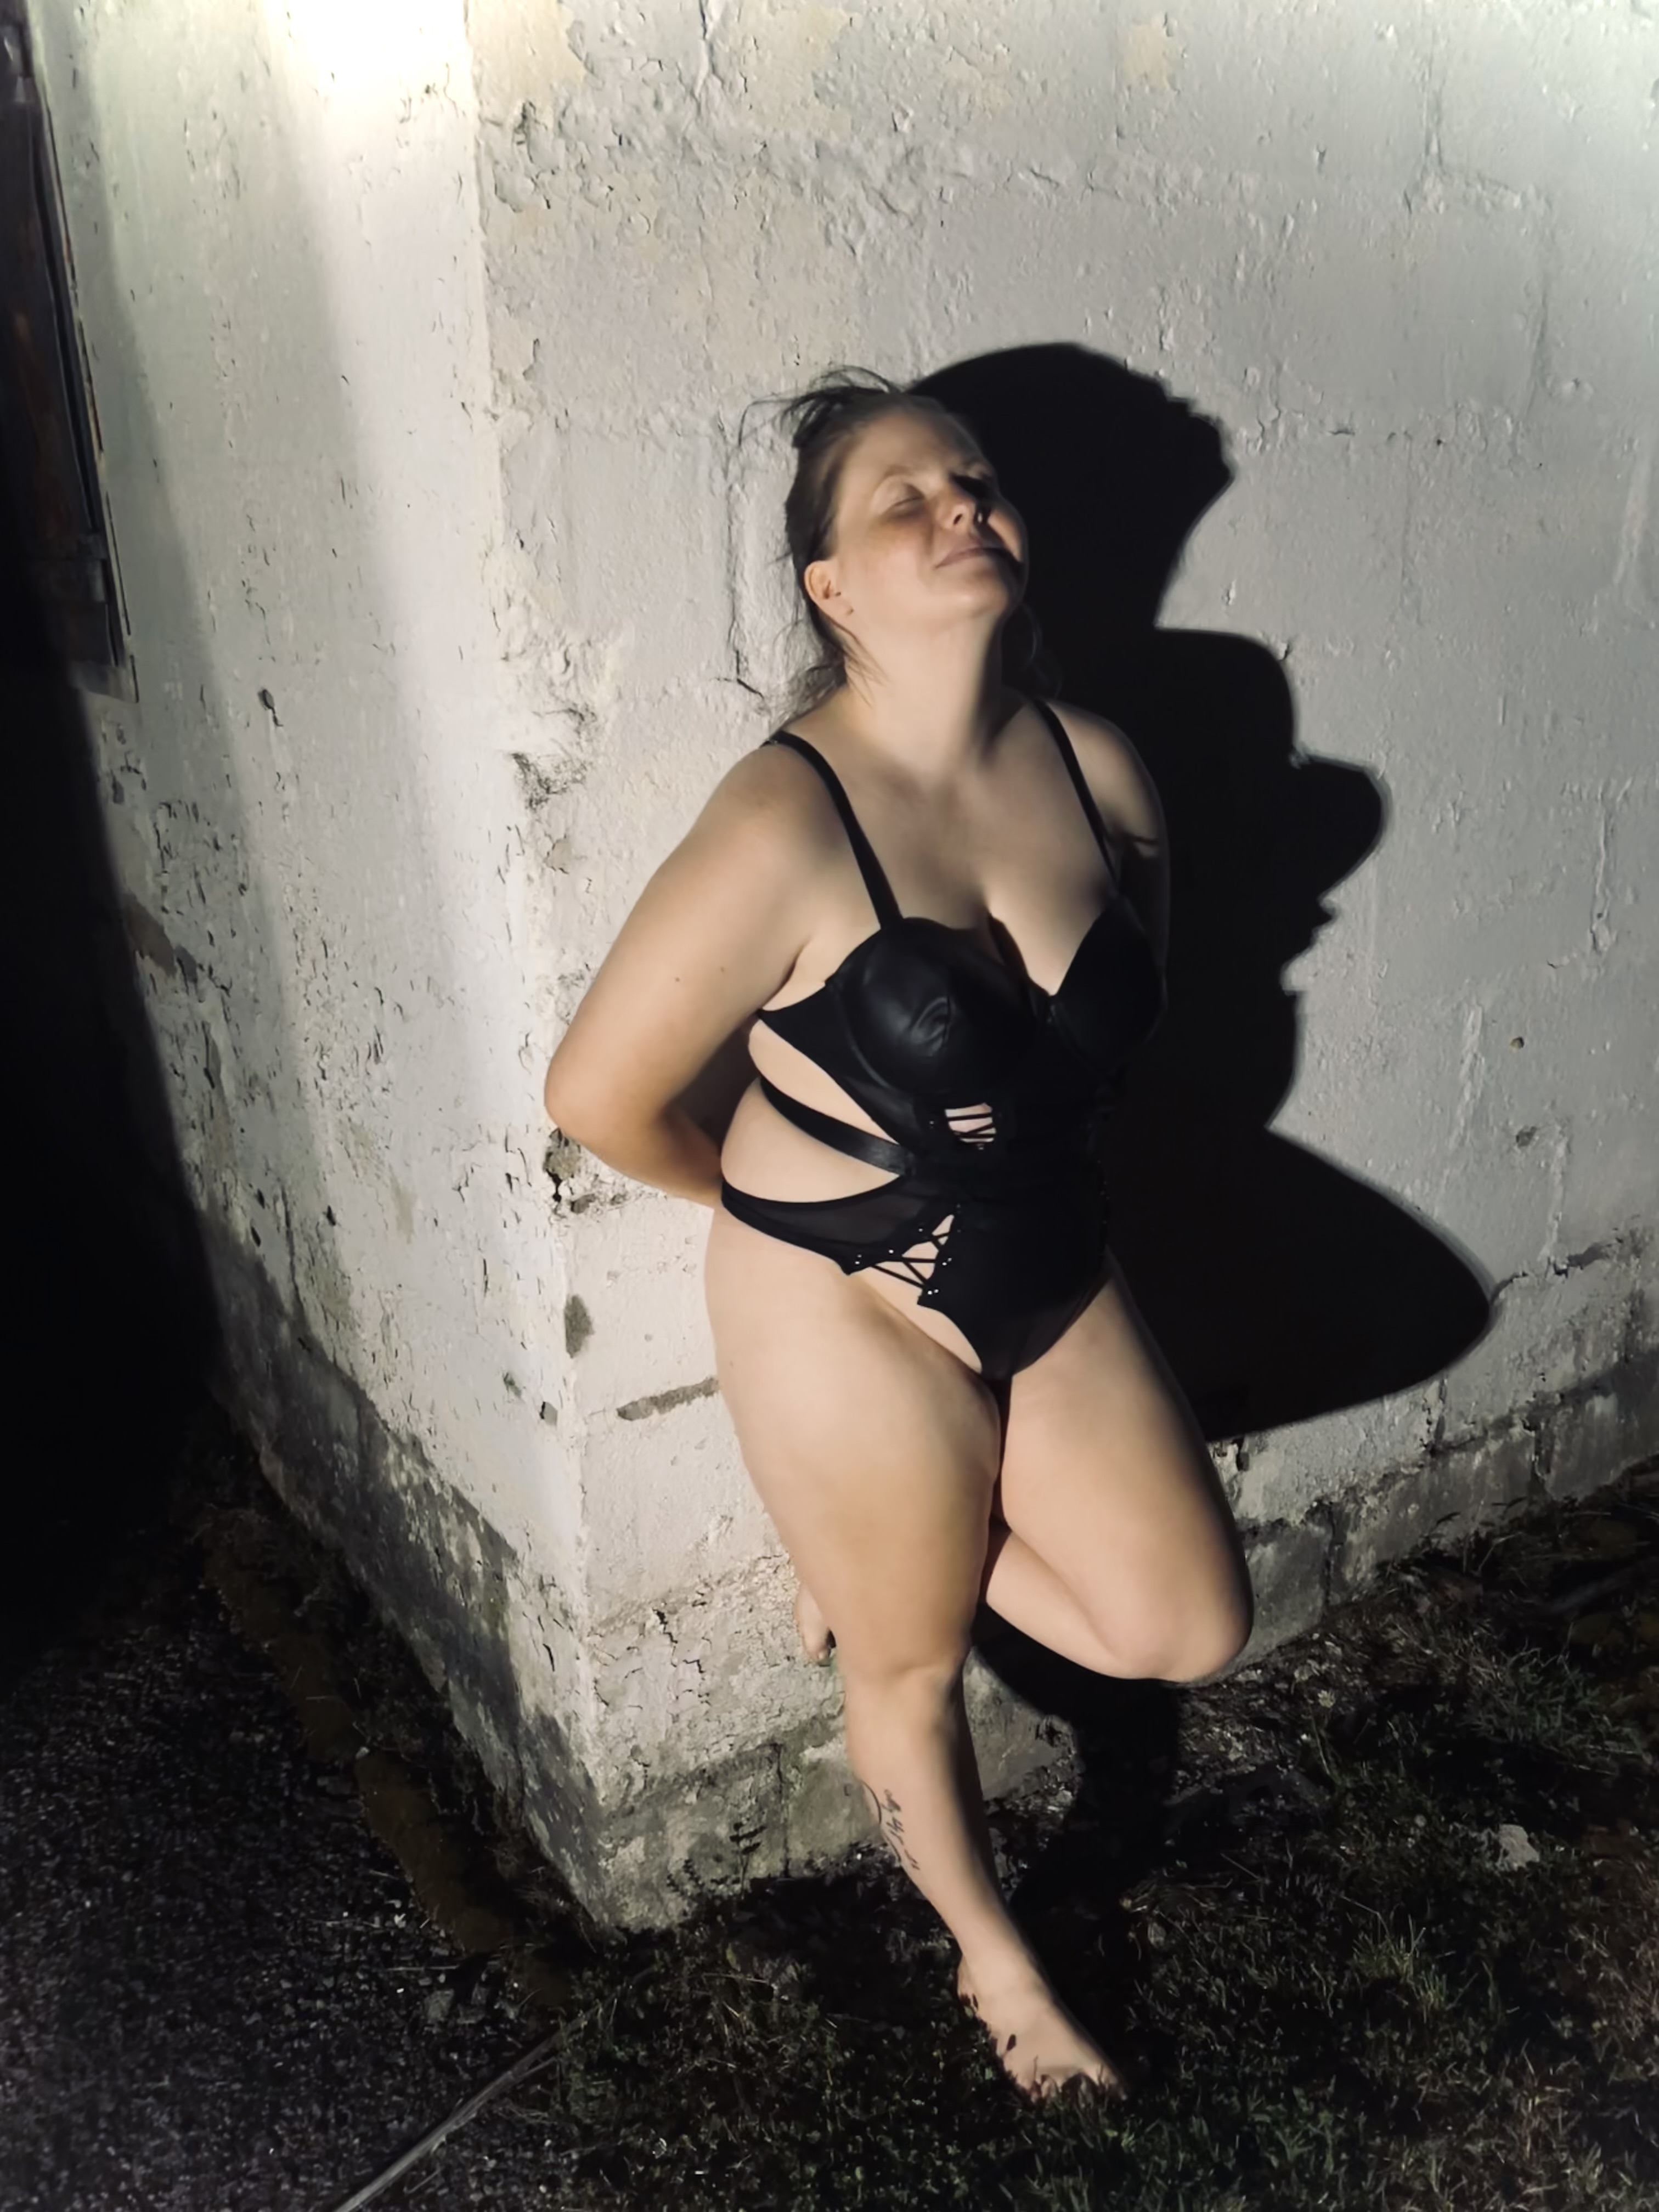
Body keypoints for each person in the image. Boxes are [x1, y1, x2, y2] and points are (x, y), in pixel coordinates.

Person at [541, 370, 1254, 2100]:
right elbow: (596, 1095)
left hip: (1036, 1244)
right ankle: (998, 1970)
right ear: (831, 588)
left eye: (978, 480)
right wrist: (764, 1212)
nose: (962, 508)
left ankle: (873, 1543)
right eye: (906, 499)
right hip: (838, 1284)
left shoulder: (1095, 765)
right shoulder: (787, 818)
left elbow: (1122, 1014)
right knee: (912, 1668)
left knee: (1188, 1627)